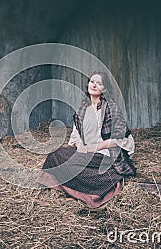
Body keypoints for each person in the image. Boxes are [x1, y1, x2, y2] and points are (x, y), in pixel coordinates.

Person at [37, 71, 136, 209]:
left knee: (77, 164)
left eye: (99, 83)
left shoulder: (111, 108)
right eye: (92, 81)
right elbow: (76, 134)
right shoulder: (83, 108)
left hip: (105, 152)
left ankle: (104, 182)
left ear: (105, 89)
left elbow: (118, 139)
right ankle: (82, 182)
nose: (94, 85)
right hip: (86, 151)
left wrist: (92, 148)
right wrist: (79, 146)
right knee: (55, 155)